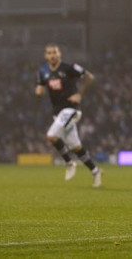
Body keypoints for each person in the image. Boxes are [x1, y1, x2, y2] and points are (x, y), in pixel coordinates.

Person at [35, 43, 102, 188]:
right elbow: (40, 87)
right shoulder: (43, 71)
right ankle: (96, 171)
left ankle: (69, 163)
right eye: (49, 53)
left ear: (60, 54)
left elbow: (89, 77)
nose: (52, 55)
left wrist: (79, 94)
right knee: (76, 147)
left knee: (51, 135)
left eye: (55, 52)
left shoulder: (69, 68)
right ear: (46, 56)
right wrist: (39, 91)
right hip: (58, 113)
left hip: (71, 110)